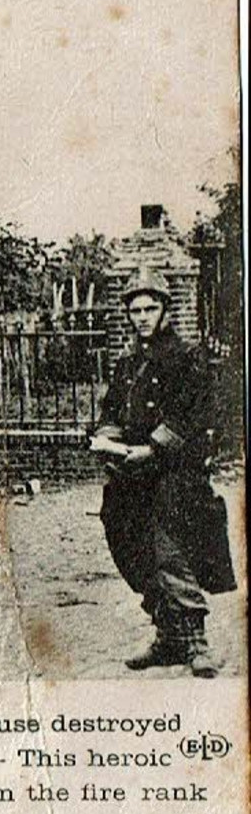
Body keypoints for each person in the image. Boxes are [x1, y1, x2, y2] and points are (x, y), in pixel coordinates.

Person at [91, 267, 236, 678]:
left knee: (171, 551)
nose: (142, 316)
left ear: (165, 310)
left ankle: (196, 642)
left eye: (150, 308)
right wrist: (106, 439)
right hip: (131, 475)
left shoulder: (186, 357)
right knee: (129, 548)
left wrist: (151, 448)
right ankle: (167, 635)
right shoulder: (126, 363)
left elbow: (193, 414)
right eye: (135, 309)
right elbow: (112, 411)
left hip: (174, 472)